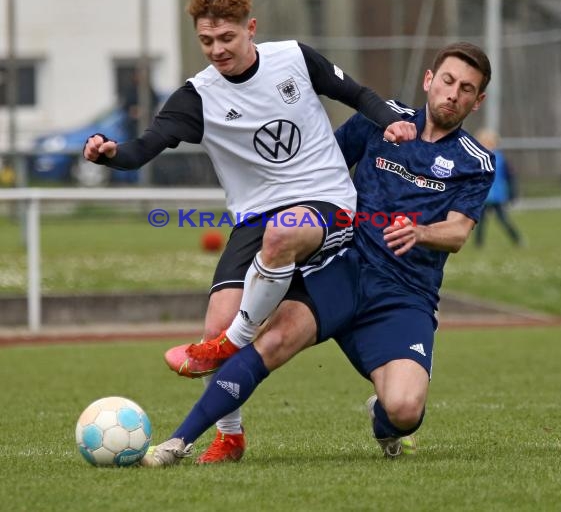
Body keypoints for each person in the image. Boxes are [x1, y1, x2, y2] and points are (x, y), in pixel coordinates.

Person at [83, 0, 415, 463]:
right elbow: (143, 147)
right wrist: (110, 153)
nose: (216, 50)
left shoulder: (295, 59)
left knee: (264, 270)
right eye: (206, 40)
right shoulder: (197, 96)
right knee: (215, 322)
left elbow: (357, 92)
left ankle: (234, 340)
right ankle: (230, 436)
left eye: (226, 38)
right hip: (255, 215)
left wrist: (390, 121)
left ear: (250, 29)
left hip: (325, 199)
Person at [142, 41, 495, 466]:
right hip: (344, 269)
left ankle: (382, 418)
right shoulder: (381, 122)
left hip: (405, 296)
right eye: (448, 81)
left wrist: (422, 232)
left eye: (467, 89)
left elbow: (458, 231)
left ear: (478, 101)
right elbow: (319, 169)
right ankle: (176, 443)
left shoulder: (475, 160)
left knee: (404, 410)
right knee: (270, 342)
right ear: (429, 80)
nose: (453, 93)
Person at [474, 128, 523, 247]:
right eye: (484, 143)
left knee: (503, 220)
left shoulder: (501, 160)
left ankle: (517, 240)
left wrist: (513, 194)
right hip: (483, 197)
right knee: (480, 222)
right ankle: (478, 244)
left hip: (497, 197)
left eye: (490, 143)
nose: (487, 146)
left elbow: (511, 178)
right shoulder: (475, 159)